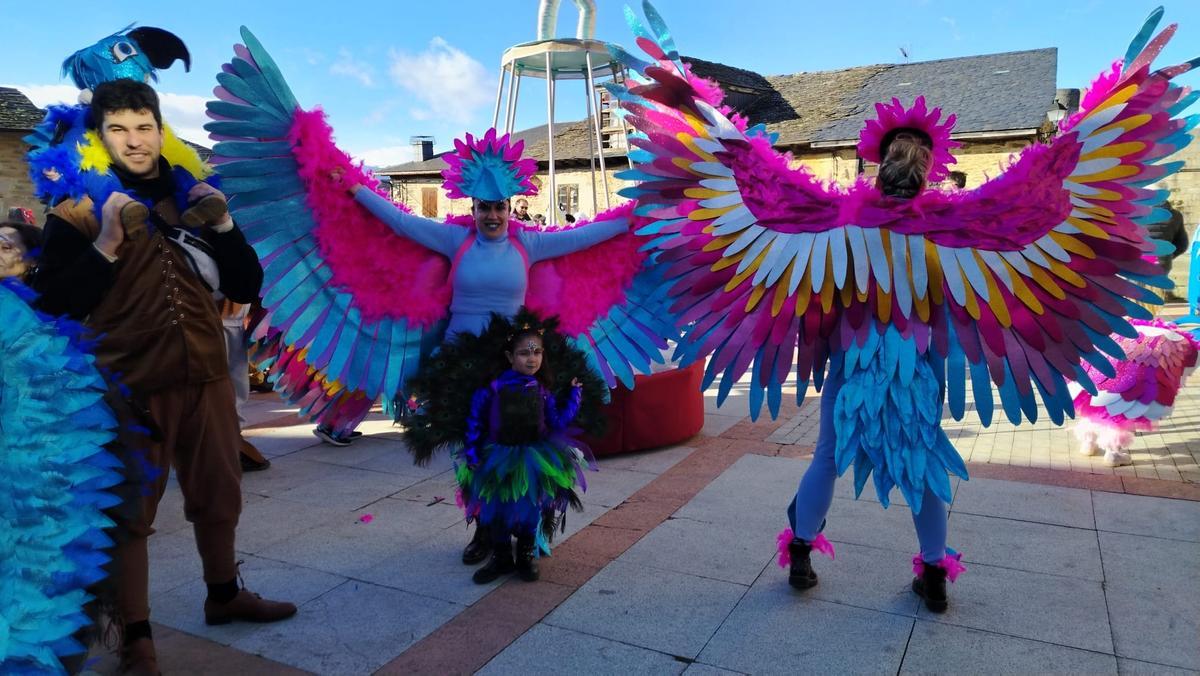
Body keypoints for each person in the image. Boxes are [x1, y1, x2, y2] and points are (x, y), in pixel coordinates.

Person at [31, 79, 295, 673]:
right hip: (126, 388)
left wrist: (223, 226)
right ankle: (137, 636)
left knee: (220, 495)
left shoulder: (194, 198)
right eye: (118, 129)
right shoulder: (75, 209)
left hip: (204, 376)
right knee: (131, 516)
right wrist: (106, 241)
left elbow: (247, 287)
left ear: (159, 128)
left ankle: (224, 595)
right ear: (99, 135)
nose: (134, 140)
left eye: (144, 126)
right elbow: (52, 304)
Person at [342, 129, 629, 564]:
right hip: (459, 362)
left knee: (518, 447)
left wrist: (637, 220)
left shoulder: (527, 244)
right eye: (483, 208)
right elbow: (400, 223)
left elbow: (585, 237)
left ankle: (524, 533)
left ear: (509, 208)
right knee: (468, 452)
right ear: (471, 208)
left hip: (510, 364)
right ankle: (482, 531)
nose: (491, 215)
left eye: (498, 207)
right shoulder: (455, 241)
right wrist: (356, 189)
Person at [781, 131, 963, 613]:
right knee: (921, 466)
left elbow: (816, 296)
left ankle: (800, 554)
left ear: (879, 168)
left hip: (851, 360)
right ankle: (935, 575)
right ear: (926, 174)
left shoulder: (843, 228)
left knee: (826, 457)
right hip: (914, 367)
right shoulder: (944, 235)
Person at [439, 316, 596, 584]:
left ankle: (525, 555)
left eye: (537, 352)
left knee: (530, 510)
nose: (531, 359)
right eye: (524, 353)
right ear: (510, 357)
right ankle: (501, 558)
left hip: (534, 458)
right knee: (496, 510)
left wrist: (574, 396)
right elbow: (475, 422)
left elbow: (557, 422)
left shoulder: (542, 390)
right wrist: (474, 454)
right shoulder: (493, 389)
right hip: (498, 457)